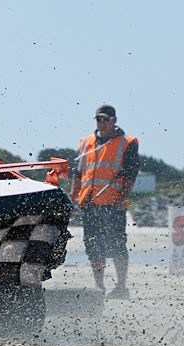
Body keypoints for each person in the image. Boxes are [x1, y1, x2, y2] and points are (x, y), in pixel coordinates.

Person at [70, 104, 139, 299]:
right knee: (93, 246)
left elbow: (131, 174)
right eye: (98, 119)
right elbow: (78, 174)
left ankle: (121, 286)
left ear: (114, 120)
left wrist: (123, 198)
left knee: (117, 244)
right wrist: (73, 199)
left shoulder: (127, 143)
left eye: (105, 119)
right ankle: (99, 286)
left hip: (113, 203)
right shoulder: (86, 142)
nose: (102, 123)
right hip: (89, 203)